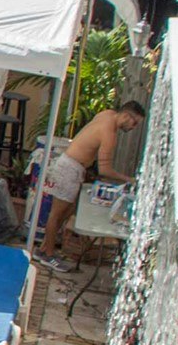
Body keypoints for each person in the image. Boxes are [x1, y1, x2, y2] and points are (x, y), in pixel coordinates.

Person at [43, 102, 147, 273]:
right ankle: (47, 254)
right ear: (126, 116)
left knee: (67, 212)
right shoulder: (110, 134)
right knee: (57, 214)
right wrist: (129, 180)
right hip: (69, 167)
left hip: (73, 166)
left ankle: (45, 249)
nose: (133, 128)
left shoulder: (106, 113)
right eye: (134, 123)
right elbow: (105, 170)